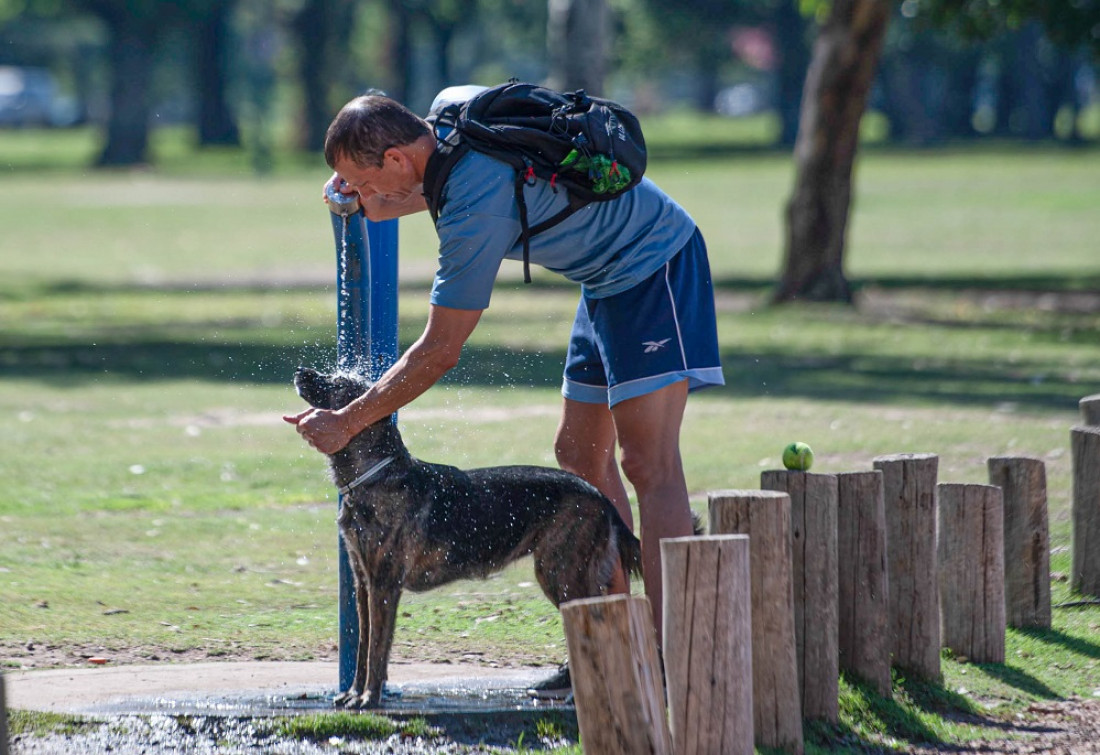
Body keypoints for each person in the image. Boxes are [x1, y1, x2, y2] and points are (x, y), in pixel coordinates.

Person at [284, 85, 724, 699]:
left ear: (394, 160)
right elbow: (410, 198)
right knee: (578, 455)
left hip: (654, 265)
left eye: (359, 180)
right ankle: (613, 643)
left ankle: (679, 654)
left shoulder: (472, 209)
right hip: (603, 280)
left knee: (648, 463)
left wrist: (349, 421)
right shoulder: (445, 118)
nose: (355, 193)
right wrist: (365, 201)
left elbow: (438, 351)